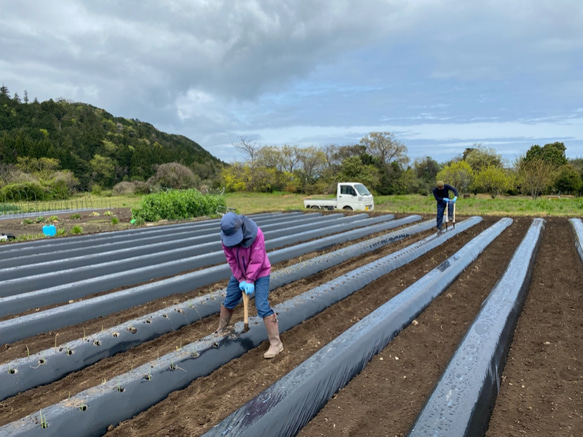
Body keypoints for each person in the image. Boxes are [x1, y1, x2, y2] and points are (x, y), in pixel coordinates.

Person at [215, 212, 284, 359]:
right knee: (230, 300)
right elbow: (232, 260)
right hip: (239, 272)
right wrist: (240, 278)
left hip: (260, 273)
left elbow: (257, 260)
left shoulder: (256, 234)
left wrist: (250, 279)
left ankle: (276, 343)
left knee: (262, 305)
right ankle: (222, 329)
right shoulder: (225, 238)